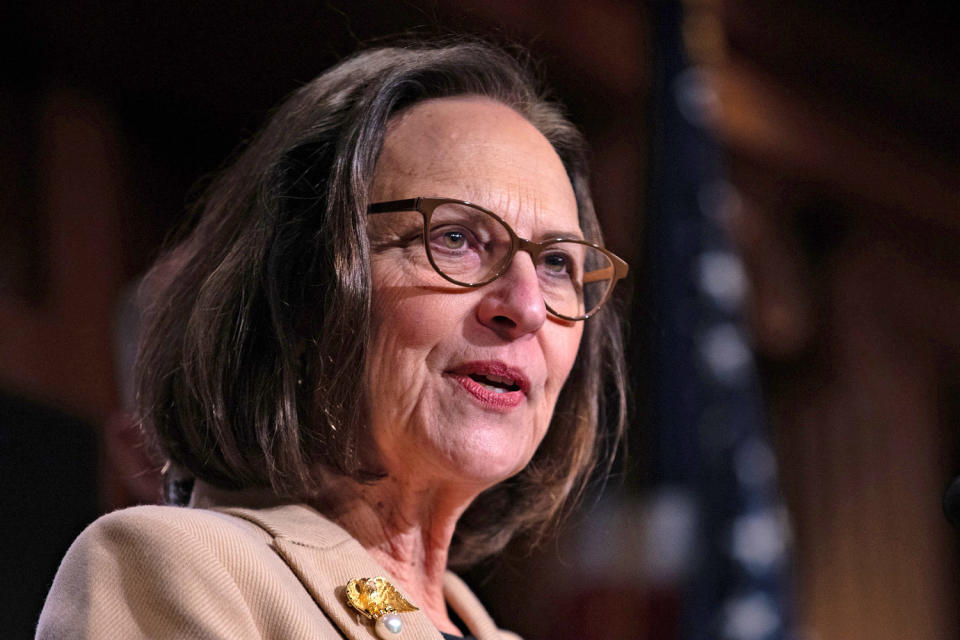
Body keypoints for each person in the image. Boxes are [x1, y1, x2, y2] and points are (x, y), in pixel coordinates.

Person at [37, 40, 628, 640]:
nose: (526, 307)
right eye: (455, 239)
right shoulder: (180, 569)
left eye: (557, 263)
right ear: (303, 290)